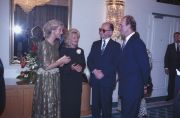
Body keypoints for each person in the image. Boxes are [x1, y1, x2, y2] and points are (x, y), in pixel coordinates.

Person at [31, 19, 71, 118]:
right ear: (53, 30)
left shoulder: (56, 44)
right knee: (47, 103)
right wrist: (61, 61)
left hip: (54, 77)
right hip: (46, 81)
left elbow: (53, 62)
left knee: (54, 102)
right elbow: (46, 66)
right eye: (60, 30)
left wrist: (61, 62)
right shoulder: (44, 44)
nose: (61, 32)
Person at [118, 15, 150, 118]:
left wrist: (145, 85)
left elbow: (145, 66)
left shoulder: (137, 43)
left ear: (129, 26)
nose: (119, 27)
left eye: (121, 25)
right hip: (127, 88)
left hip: (133, 89)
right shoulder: (127, 42)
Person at [87, 22, 121, 118]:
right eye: (100, 29)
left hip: (107, 80)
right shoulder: (95, 44)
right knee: (95, 107)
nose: (101, 32)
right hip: (95, 80)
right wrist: (94, 71)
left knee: (106, 107)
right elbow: (90, 60)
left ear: (110, 32)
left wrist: (103, 73)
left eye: (104, 30)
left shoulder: (116, 46)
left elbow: (116, 64)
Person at [59, 28, 86, 118]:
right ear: (69, 39)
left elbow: (83, 64)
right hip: (66, 83)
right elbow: (60, 67)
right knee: (67, 105)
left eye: (77, 37)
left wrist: (81, 68)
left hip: (77, 82)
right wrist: (71, 67)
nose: (76, 39)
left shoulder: (80, 51)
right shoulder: (63, 50)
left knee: (76, 104)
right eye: (74, 37)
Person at [164, 32, 180, 101]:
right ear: (174, 37)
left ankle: (177, 97)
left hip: (179, 69)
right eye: (176, 36)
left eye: (178, 36)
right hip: (172, 68)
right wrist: (166, 67)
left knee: (178, 82)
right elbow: (166, 57)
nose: (177, 38)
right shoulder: (170, 46)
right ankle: (170, 96)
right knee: (171, 82)